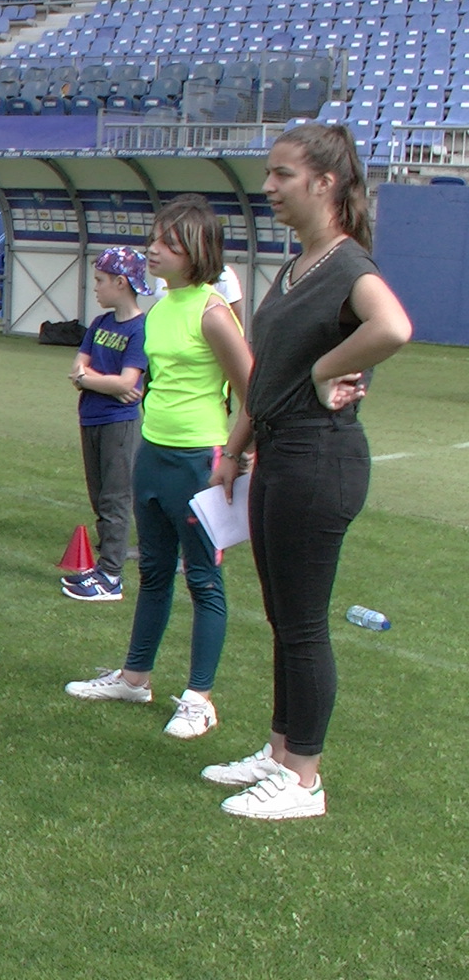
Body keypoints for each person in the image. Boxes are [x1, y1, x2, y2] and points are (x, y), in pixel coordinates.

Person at [202, 124, 413, 820]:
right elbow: (269, 377)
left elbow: (394, 327)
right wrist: (236, 447)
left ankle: (305, 780)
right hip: (279, 453)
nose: (269, 188)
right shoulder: (302, 266)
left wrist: (327, 369)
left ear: (324, 183)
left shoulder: (349, 265)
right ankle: (279, 752)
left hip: (319, 458)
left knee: (302, 624)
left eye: (282, 175)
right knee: (282, 616)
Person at [65, 194, 252, 740]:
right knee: (152, 572)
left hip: (201, 461)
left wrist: (235, 457)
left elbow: (252, 391)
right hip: (153, 452)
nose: (153, 249)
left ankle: (199, 696)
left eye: (167, 242)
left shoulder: (213, 312)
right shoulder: (162, 309)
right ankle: (135, 676)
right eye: (155, 237)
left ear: (195, 251)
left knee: (203, 580)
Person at [62, 247, 150, 602]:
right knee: (99, 496)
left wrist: (91, 379)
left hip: (119, 423)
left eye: (100, 280)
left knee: (115, 497)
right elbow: (76, 370)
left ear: (121, 282)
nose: (95, 287)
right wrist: (100, 382)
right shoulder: (100, 324)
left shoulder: (141, 329)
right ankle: (102, 568)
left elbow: (128, 384)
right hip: (92, 417)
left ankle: (111, 575)